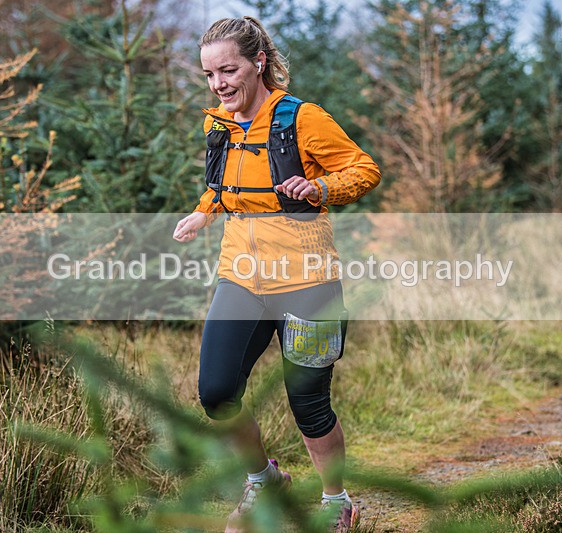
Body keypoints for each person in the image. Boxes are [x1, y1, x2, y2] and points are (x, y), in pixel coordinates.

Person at [173, 16, 380, 532]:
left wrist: (321, 190)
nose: (219, 84)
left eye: (229, 70)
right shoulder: (216, 123)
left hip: (307, 279)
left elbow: (363, 169)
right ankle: (263, 480)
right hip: (241, 274)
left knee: (309, 403)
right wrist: (204, 212)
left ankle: (337, 501)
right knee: (217, 393)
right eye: (209, 74)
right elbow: (221, 184)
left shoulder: (302, 118)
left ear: (257, 62)